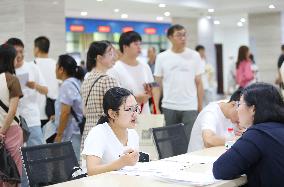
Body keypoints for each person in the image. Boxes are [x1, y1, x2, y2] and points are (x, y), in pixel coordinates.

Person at [213, 83, 284, 187]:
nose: (237, 109)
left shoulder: (257, 135)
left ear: (253, 109)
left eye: (240, 104)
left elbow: (221, 169)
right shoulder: (277, 128)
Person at [153, 24, 204, 140]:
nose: (183, 38)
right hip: (169, 105)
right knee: (171, 142)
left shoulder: (194, 56)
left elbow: (199, 83)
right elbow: (157, 83)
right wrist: (156, 106)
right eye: (179, 35)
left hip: (190, 106)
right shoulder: (162, 57)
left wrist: (200, 106)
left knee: (189, 140)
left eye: (184, 35)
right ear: (170, 38)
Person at [82, 87, 140, 175]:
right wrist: (121, 162)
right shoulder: (98, 133)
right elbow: (91, 171)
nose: (135, 114)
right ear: (113, 114)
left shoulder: (133, 134)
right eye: (129, 109)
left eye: (136, 108)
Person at [80, 41, 119, 161]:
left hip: (88, 130)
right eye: (110, 53)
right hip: (105, 131)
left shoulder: (87, 78)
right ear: (99, 58)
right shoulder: (108, 80)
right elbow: (116, 111)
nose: (114, 57)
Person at [6, 38, 48, 147]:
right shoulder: (5, 71)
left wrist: (34, 85)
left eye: (21, 51)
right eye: (16, 52)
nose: (19, 55)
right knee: (16, 158)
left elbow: (45, 90)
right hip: (12, 121)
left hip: (31, 119)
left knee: (37, 155)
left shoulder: (32, 67)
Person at [107, 31, 156, 114]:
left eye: (140, 44)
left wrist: (151, 91)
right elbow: (113, 97)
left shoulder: (145, 66)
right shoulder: (115, 69)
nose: (139, 47)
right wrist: (135, 98)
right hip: (125, 117)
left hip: (145, 115)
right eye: (136, 44)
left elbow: (153, 87)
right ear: (125, 47)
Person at [0, 44, 23, 187]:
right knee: (12, 173)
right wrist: (2, 132)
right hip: (11, 130)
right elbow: (12, 110)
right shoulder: (12, 80)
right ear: (10, 59)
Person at [54, 54, 84, 160]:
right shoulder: (75, 82)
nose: (55, 68)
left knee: (71, 167)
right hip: (75, 132)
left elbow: (65, 112)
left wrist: (59, 135)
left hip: (70, 133)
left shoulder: (67, 85)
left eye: (56, 65)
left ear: (61, 69)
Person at [33, 36, 59, 134]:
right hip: (52, 112)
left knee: (37, 146)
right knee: (51, 146)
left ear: (36, 49)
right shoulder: (56, 65)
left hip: (36, 114)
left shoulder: (32, 65)